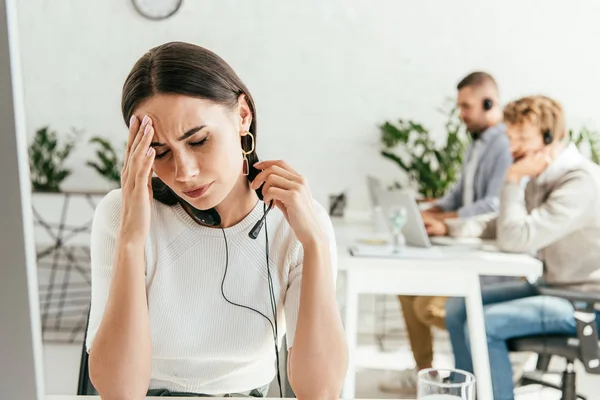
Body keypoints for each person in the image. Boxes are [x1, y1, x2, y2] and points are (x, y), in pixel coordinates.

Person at [85, 41, 348, 399]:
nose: (183, 173)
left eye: (198, 141)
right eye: (159, 153)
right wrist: (132, 238)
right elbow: (118, 392)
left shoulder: (299, 221)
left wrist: (315, 245)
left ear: (242, 115)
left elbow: (321, 391)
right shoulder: (122, 214)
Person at [440, 95, 600, 400]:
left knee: (485, 323)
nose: (513, 147)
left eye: (522, 139)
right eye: (511, 138)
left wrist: (512, 178)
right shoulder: (545, 178)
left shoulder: (579, 182)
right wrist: (447, 226)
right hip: (555, 289)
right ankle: (469, 395)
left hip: (586, 303)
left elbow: (517, 239)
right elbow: (501, 225)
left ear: (551, 138)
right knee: (459, 307)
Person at [380, 71, 513, 395]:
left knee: (426, 306)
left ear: (489, 103)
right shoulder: (476, 145)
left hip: (485, 253)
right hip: (460, 245)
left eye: (467, 107)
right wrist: (430, 209)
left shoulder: (506, 145)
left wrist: (446, 221)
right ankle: (425, 373)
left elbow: (493, 204)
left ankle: (489, 352)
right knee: (407, 289)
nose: (461, 115)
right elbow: (457, 197)